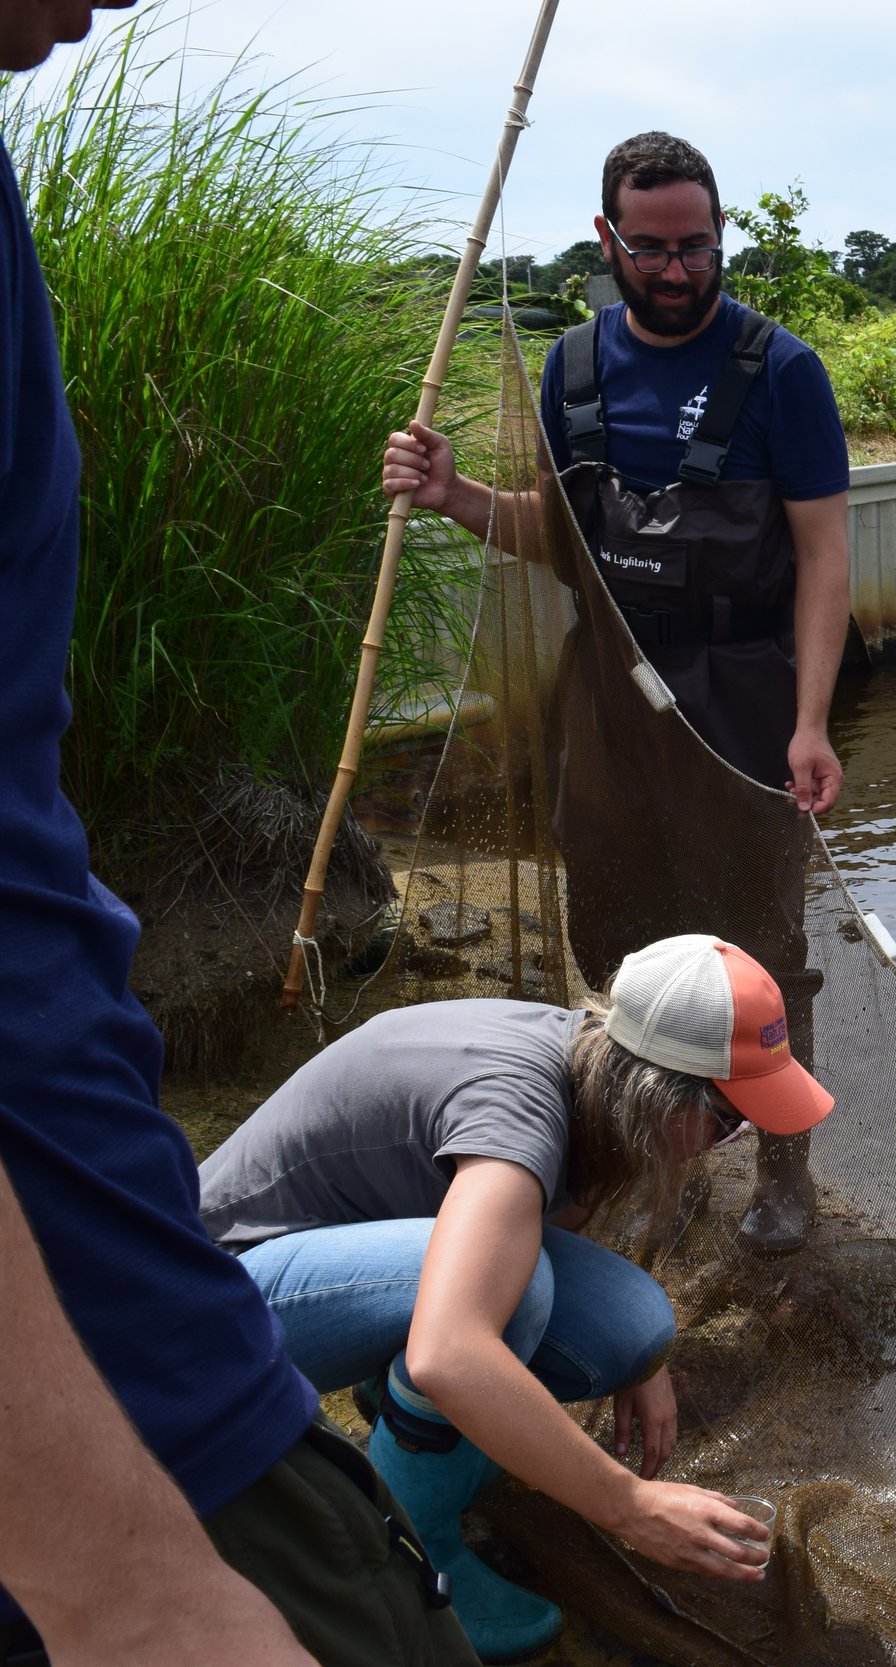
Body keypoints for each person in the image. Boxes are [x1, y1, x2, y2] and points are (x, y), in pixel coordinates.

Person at [0, 6, 477, 1666]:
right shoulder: (519, 1123)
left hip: (114, 1248)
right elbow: (486, 1332)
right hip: (109, 1351)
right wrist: (112, 1571)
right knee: (544, 1312)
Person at [380, 131, 850, 1257]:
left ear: (718, 230)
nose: (680, 268)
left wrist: (811, 721)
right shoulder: (572, 369)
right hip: (604, 706)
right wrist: (456, 496)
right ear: (609, 240)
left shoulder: (781, 372)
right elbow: (563, 540)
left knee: (758, 950)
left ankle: (783, 1172)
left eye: (698, 244)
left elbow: (826, 559)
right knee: (623, 949)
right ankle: (657, 1159)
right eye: (654, 249)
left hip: (739, 705)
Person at [197, 935, 833, 1662]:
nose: (729, 1139)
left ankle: (403, 1421)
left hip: (340, 1260)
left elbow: (551, 1214)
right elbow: (450, 1352)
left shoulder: (588, 1062)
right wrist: (627, 1505)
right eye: (728, 1121)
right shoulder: (519, 1106)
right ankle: (410, 1567)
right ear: (659, 1089)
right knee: (513, 1294)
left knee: (635, 1326)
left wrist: (644, 1362)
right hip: (214, 1298)